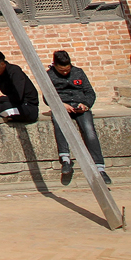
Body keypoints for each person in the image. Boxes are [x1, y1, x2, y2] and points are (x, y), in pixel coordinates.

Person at [44, 50, 110, 185]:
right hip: (62, 106)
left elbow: (90, 93)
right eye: (61, 70)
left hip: (80, 105)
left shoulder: (78, 72)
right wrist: (60, 105)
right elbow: (47, 97)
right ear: (55, 65)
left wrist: (85, 105)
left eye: (67, 69)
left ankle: (100, 168)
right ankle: (65, 160)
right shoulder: (49, 75)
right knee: (60, 124)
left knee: (89, 130)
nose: (65, 73)